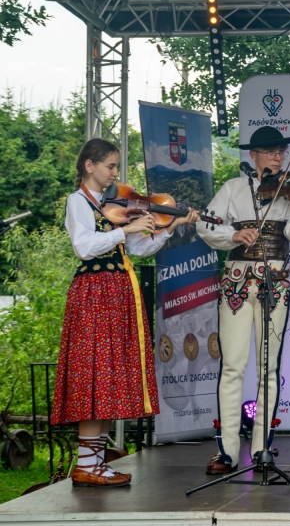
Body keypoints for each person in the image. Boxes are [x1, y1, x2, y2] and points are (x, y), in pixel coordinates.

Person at [53, 138, 200, 487]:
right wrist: (126, 229)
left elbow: (137, 247)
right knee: (95, 374)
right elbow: (84, 247)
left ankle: (95, 463)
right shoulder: (77, 201)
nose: (115, 173)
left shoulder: (111, 205)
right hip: (94, 294)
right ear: (89, 165)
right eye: (110, 166)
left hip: (117, 293)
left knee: (106, 379)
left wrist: (169, 228)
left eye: (116, 166)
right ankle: (87, 465)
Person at [197, 126, 290, 475]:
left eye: (281, 152)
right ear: (252, 155)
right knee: (232, 366)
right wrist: (233, 233)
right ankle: (226, 451)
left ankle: (261, 447)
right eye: (270, 151)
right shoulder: (233, 188)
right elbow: (205, 225)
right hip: (236, 283)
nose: (278, 158)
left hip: (274, 283)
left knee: (269, 368)